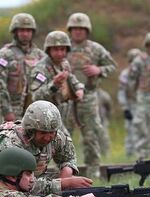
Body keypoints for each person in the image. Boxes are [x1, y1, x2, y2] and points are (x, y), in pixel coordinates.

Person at [0, 100, 93, 195]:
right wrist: (64, 183)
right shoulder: (11, 144)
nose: (48, 138)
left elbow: (68, 158)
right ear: (31, 131)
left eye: (52, 132)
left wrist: (66, 175)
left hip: (30, 180)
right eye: (43, 133)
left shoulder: (57, 137)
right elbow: (15, 183)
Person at [66, 12, 116, 177]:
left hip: (88, 98)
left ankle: (93, 171)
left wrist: (99, 70)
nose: (78, 32)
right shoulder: (62, 47)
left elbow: (111, 66)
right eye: (75, 29)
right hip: (66, 99)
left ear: (87, 30)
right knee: (64, 135)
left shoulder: (96, 48)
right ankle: (64, 171)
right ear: (70, 30)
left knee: (91, 135)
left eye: (82, 29)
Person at [30, 30, 85, 135]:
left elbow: (73, 80)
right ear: (49, 50)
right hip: (48, 116)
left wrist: (80, 89)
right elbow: (36, 97)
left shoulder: (64, 64)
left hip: (66, 114)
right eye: (55, 50)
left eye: (62, 49)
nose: (60, 53)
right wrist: (54, 85)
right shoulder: (40, 69)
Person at [0, 13, 45, 121]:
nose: (25, 34)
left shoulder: (40, 55)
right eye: (22, 30)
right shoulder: (5, 54)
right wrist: (7, 111)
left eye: (28, 30)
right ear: (15, 32)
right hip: (11, 109)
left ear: (33, 32)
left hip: (35, 110)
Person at [118, 48, 141, 156]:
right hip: (131, 104)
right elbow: (121, 92)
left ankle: (143, 153)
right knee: (130, 129)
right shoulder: (125, 74)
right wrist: (125, 108)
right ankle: (130, 153)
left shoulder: (144, 74)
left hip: (143, 105)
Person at [97, 88, 112, 156]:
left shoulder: (103, 95)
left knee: (104, 138)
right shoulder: (86, 93)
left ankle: (106, 154)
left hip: (102, 120)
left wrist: (107, 116)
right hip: (89, 121)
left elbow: (109, 106)